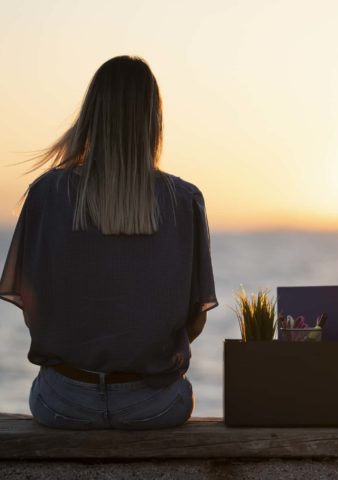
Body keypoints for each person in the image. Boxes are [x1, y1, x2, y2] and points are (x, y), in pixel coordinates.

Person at [0, 55, 219, 430]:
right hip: (154, 405)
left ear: (91, 114)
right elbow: (193, 318)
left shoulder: (47, 195)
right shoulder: (184, 201)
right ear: (153, 120)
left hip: (62, 402)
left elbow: (32, 307)